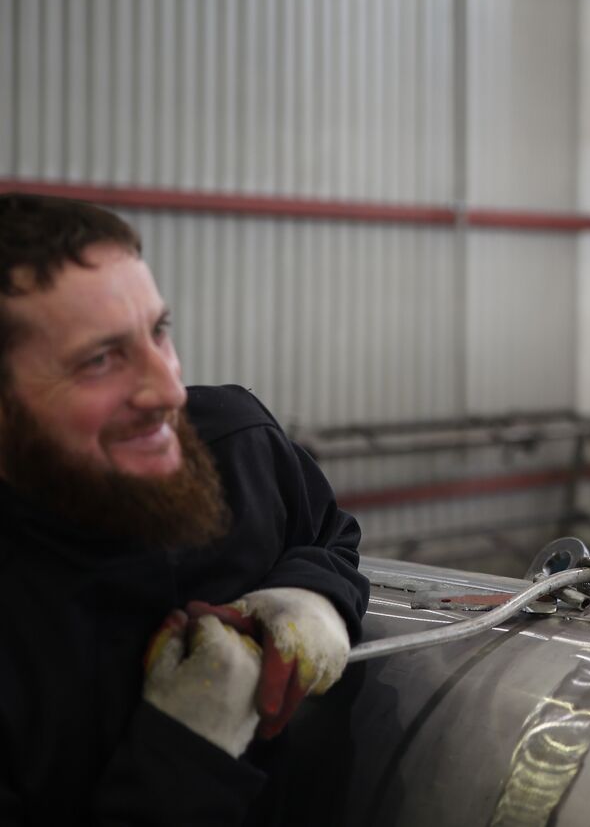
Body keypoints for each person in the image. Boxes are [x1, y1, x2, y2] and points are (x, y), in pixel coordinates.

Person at [0, 193, 369, 823]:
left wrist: (314, 600)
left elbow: (329, 534)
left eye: (158, 332)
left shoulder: (236, 445)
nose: (169, 389)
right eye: (100, 360)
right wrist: (186, 753)